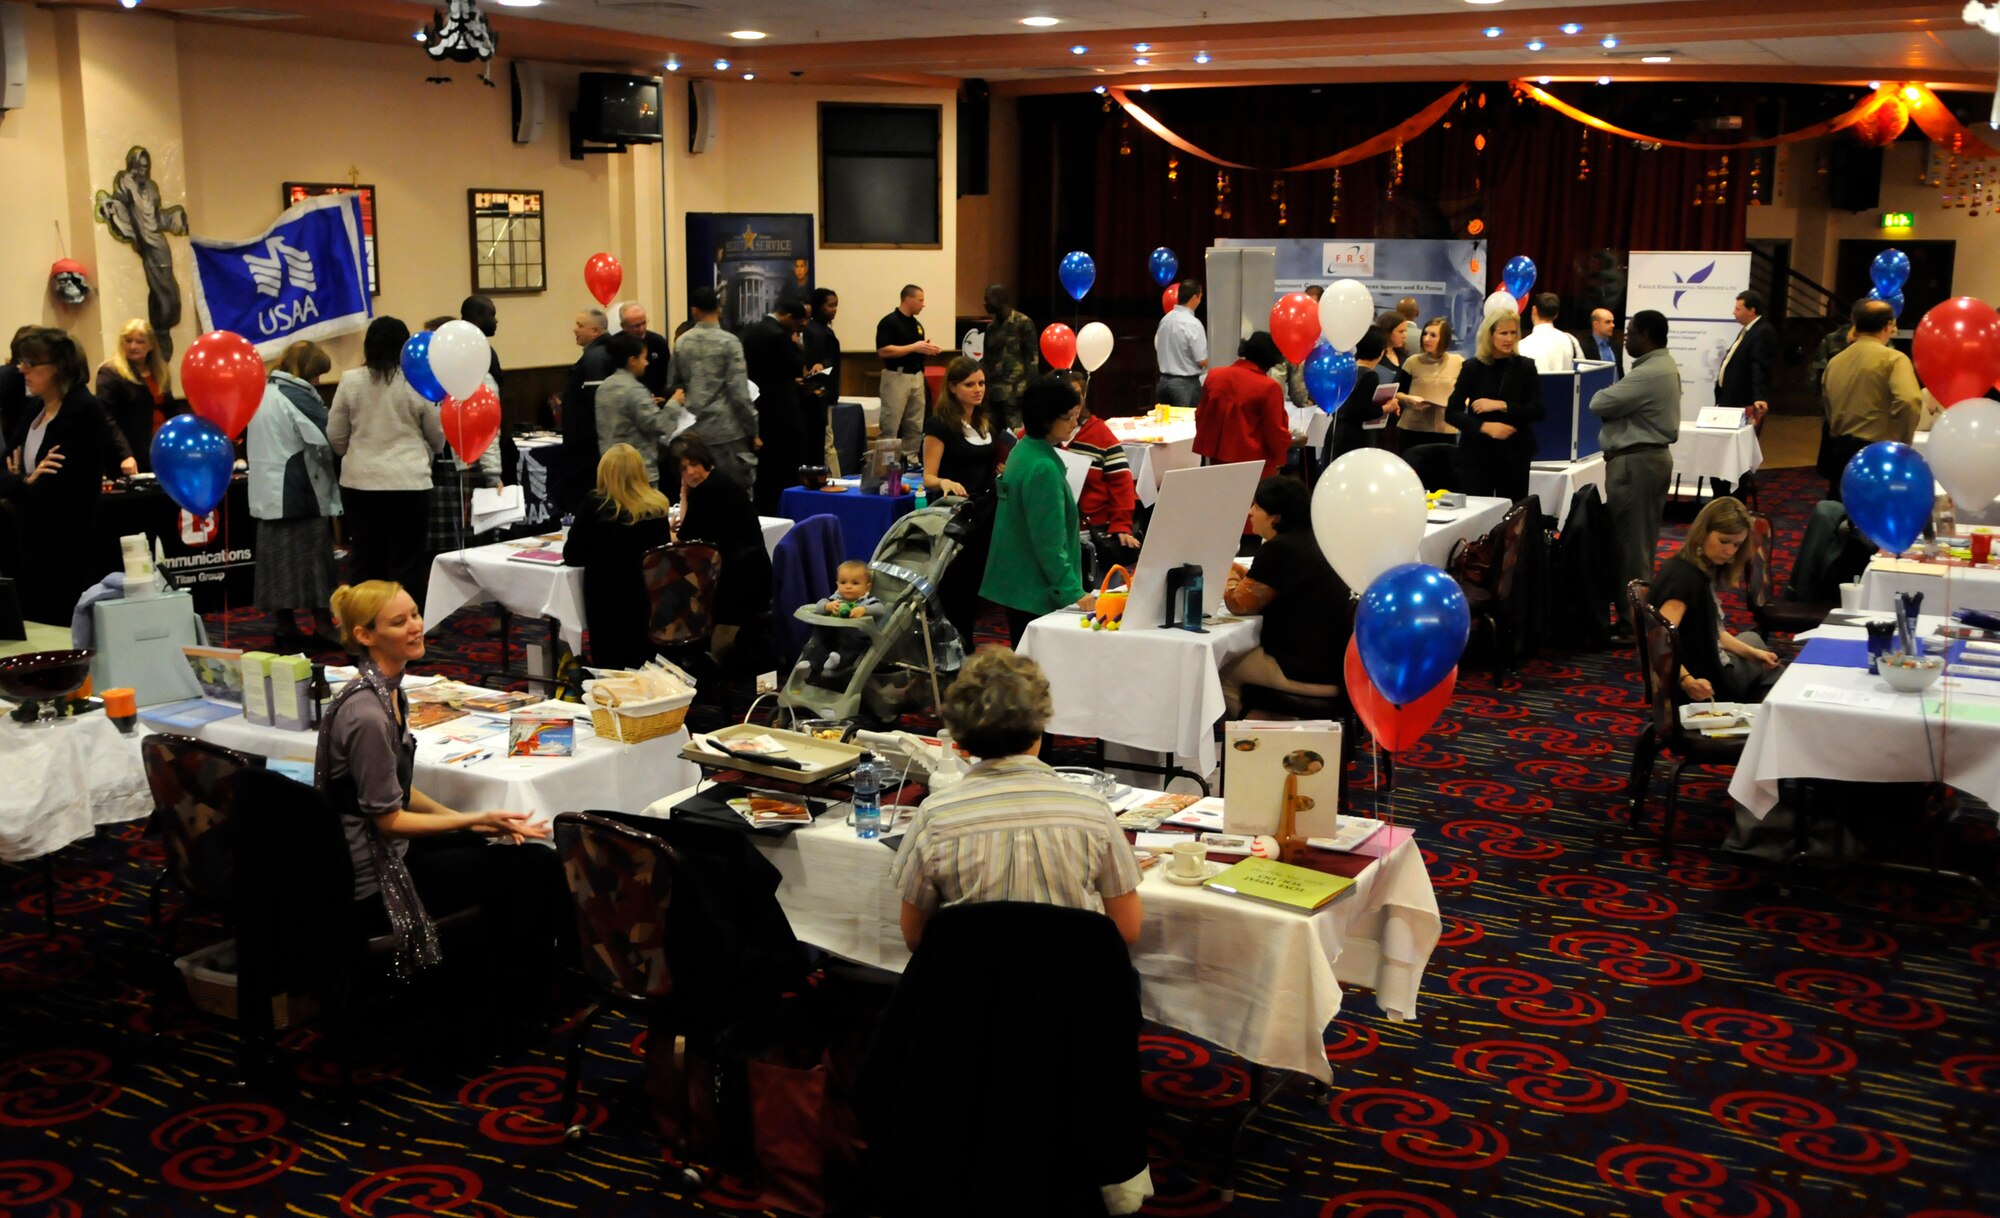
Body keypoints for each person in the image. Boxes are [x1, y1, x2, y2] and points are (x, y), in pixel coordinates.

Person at [318, 579, 566, 1017]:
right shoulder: (370, 714)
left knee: (492, 846)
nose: (416, 627)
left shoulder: (387, 691)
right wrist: (468, 820)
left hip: (375, 851)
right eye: (399, 622)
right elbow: (388, 819)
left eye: (415, 614)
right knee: (538, 865)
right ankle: (518, 1005)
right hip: (374, 874)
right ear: (365, 635)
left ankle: (501, 989)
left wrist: (467, 820)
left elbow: (393, 788)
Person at [891, 646, 1143, 951]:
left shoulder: (935, 816)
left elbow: (914, 936)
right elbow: (1127, 929)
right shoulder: (1092, 810)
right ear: (1039, 725)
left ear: (960, 739)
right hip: (1073, 993)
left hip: (970, 993)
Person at [2, 327, 120, 624]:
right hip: (29, 539)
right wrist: (25, 481)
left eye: (31, 364)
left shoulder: (83, 411)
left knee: (61, 623)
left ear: (57, 369)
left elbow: (57, 488)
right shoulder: (35, 408)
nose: (22, 370)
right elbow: (6, 469)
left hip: (67, 544)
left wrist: (20, 483)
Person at [328, 316, 446, 593]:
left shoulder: (350, 380)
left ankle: (364, 626)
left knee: (365, 560)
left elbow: (335, 434)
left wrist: (355, 453)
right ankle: (406, 624)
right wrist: (428, 452)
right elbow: (437, 434)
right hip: (409, 483)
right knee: (407, 562)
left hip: (361, 483)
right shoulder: (417, 382)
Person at [1219, 476, 1351, 717]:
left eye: (1257, 507)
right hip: (1336, 662)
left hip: (1303, 667)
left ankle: (1261, 741)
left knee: (1220, 669)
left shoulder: (1279, 549)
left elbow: (1237, 604)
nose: (1250, 512)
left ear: (1276, 517)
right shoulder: (1317, 539)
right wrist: (1242, 574)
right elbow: (1278, 582)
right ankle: (1288, 733)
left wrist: (1227, 573)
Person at [981, 376, 1096, 647]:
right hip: (1036, 589)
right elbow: (1049, 542)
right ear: (1047, 420)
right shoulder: (1043, 467)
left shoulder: (1022, 450)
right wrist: (1072, 591)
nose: (1074, 424)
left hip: (1017, 582)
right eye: (1068, 417)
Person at [248, 340, 341, 652]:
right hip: (298, 488)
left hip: (267, 489)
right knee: (315, 561)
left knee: (276, 563)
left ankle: (284, 626)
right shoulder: (297, 394)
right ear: (306, 371)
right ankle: (324, 625)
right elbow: (332, 434)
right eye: (317, 375)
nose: (318, 381)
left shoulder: (263, 390)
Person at [1647, 497, 1781, 704]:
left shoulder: (1691, 566)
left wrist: (1753, 654)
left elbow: (1712, 631)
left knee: (1754, 643)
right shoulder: (1686, 580)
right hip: (1704, 683)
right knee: (1775, 677)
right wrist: (1687, 681)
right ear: (1703, 533)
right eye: (1724, 541)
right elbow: (1657, 641)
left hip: (1704, 662)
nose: (1730, 551)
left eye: (1737, 544)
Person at [1588, 310, 1681, 607]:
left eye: (1630, 333)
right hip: (1645, 461)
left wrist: (1613, 394)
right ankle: (1636, 616)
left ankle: (1632, 622)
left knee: (1631, 549)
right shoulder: (1659, 366)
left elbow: (1598, 402)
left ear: (1646, 336)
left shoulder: (1649, 372)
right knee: (1638, 544)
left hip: (1636, 464)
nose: (1625, 339)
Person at [563, 443, 674, 670]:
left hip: (608, 603)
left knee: (611, 665)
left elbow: (573, 555)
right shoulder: (657, 507)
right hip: (648, 602)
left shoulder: (597, 505)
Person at [923, 356, 1007, 644]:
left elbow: (987, 464)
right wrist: (944, 481)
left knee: (975, 582)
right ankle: (952, 642)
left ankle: (968, 640)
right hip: (956, 514)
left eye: (981, 383)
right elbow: (928, 477)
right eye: (970, 384)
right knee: (956, 584)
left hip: (985, 511)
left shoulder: (986, 423)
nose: (978, 389)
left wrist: (1001, 470)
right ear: (953, 388)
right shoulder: (940, 425)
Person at [672, 435, 772, 667]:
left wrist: (684, 495)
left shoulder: (708, 490)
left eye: (694, 464)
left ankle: (694, 662)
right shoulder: (722, 481)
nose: (691, 473)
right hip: (754, 573)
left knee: (678, 591)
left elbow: (685, 537)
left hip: (737, 583)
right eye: (684, 469)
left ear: (704, 461)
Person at [1819, 299, 1924, 500]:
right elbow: (1909, 401)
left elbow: (1827, 404)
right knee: (1875, 516)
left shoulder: (1836, 361)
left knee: (1843, 511)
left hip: (1840, 451)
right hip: (1877, 453)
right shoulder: (1894, 359)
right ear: (1888, 326)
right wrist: (1903, 441)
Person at [94, 146, 188, 356]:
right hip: (146, 245)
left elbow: (155, 217)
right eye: (140, 167)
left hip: (159, 243)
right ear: (133, 166)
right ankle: (160, 332)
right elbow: (119, 205)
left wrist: (174, 217)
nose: (143, 171)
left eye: (147, 167)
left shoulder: (152, 188)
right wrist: (109, 206)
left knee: (170, 291)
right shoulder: (126, 183)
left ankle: (164, 330)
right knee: (159, 291)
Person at [1446, 310, 1545, 502]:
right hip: (1477, 453)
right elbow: (1452, 413)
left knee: (1512, 513)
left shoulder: (1525, 367)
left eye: (1513, 333)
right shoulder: (1472, 368)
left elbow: (1538, 410)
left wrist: (1502, 405)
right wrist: (1484, 427)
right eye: (1503, 333)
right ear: (1490, 335)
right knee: (1477, 511)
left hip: (1515, 452)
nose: (1509, 338)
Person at [667, 286, 759, 492]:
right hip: (728, 433)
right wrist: (753, 430)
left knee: (698, 493)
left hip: (693, 434)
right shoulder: (730, 343)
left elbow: (673, 386)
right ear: (719, 309)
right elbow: (740, 394)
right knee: (735, 494)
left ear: (694, 311)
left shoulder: (682, 343)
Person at [1058, 368, 1139, 557]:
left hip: (1090, 528)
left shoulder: (1100, 434)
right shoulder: (1040, 434)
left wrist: (1121, 525)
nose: (1073, 401)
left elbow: (1121, 482)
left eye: (1077, 395)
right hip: (1052, 525)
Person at [743, 295, 811, 515]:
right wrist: (797, 346)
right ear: (788, 317)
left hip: (760, 407)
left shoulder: (752, 331)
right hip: (782, 412)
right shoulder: (779, 336)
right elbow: (794, 365)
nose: (800, 326)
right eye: (798, 322)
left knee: (765, 471)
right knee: (784, 470)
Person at [1195, 331, 1293, 479]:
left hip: (1218, 459)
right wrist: (1286, 446)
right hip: (1255, 463)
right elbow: (1275, 431)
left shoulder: (1214, 376)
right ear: (1271, 361)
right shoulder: (1269, 387)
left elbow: (1201, 416)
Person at [1711, 289, 1776, 498]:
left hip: (1743, 402)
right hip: (1730, 401)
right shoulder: (1749, 330)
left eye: (1738, 308)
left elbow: (1759, 365)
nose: (1734, 313)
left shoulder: (1762, 331)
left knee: (1737, 456)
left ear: (1752, 310)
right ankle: (1724, 494)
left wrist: (1759, 396)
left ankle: (1735, 496)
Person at [595, 331, 681, 487]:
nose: (647, 363)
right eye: (643, 358)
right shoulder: (635, 390)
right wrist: (674, 403)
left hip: (611, 469)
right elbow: (659, 425)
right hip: (638, 471)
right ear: (632, 360)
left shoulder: (604, 387)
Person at [95, 318, 174, 471]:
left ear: (151, 345)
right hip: (131, 455)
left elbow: (169, 410)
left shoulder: (160, 372)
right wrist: (126, 455)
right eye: (128, 340)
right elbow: (107, 418)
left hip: (162, 450)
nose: (133, 346)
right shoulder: (110, 372)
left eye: (140, 342)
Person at [794, 559, 887, 686]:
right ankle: (809, 665)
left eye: (855, 583)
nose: (848, 586)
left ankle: (837, 661)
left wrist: (864, 610)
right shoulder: (835, 599)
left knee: (854, 646)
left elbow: (881, 610)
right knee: (818, 641)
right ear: (837, 584)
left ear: (867, 587)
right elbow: (819, 606)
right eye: (843, 582)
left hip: (855, 639)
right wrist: (827, 606)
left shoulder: (867, 601)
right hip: (833, 637)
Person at [558, 307, 616, 509]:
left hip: (587, 450)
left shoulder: (595, 359)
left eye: (580, 326)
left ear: (595, 331)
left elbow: (596, 406)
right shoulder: (599, 354)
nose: (575, 330)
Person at [875, 284, 939, 461]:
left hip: (916, 376)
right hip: (896, 376)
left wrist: (925, 349)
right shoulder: (889, 322)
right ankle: (885, 466)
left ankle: (910, 460)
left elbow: (914, 349)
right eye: (920, 300)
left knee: (915, 424)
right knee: (891, 424)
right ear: (907, 299)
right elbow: (883, 351)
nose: (923, 304)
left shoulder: (916, 325)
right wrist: (914, 347)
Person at [1395, 315, 1462, 449]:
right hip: (1413, 429)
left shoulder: (1458, 362)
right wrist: (1409, 399)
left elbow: (1465, 394)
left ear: (1444, 338)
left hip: (1445, 429)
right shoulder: (1412, 362)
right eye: (1425, 334)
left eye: (1433, 335)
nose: (1426, 339)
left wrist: (1456, 404)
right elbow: (1397, 392)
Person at [1328, 327, 1395, 461]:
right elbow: (1362, 410)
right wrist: (1385, 408)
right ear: (1382, 352)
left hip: (1336, 430)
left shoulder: (1346, 369)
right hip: (1353, 435)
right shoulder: (1370, 375)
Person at [978, 284, 1035, 432]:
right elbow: (987, 360)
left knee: (1015, 435)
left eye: (987, 299)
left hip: (1016, 394)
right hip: (994, 394)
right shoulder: (991, 328)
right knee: (993, 434)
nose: (984, 303)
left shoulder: (1023, 323)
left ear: (1000, 299)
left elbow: (1032, 360)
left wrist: (1032, 393)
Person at [803, 287, 843, 474]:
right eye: (830, 305)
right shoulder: (813, 332)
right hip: (819, 395)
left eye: (836, 305)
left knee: (827, 441)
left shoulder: (824, 330)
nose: (834, 309)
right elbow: (816, 364)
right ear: (819, 307)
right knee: (827, 443)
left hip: (826, 392)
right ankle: (834, 480)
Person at [1154, 278, 1207, 407]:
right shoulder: (1193, 324)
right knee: (1184, 425)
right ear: (1195, 297)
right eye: (1200, 296)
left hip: (1163, 382)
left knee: (1164, 425)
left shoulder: (1165, 320)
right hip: (1185, 385)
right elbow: (1202, 360)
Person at [617, 302, 673, 399]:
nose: (641, 328)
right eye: (636, 326)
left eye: (644, 323)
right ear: (623, 326)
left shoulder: (658, 342)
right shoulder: (615, 346)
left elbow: (668, 375)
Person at [1517, 292, 1582, 374]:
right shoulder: (1571, 340)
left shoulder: (1522, 346)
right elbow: (1583, 372)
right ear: (1556, 314)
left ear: (1534, 310)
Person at [461, 294, 502, 381]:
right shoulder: (481, 350)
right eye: (492, 315)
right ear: (477, 317)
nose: (496, 321)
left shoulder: (458, 343)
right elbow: (497, 382)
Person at [1579, 308, 1624, 378]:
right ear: (1596, 324)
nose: (1613, 325)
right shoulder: (1583, 347)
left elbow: (1620, 372)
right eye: (1608, 322)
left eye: (1612, 321)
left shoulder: (1616, 345)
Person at [1373, 310, 1411, 375]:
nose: (1405, 336)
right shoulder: (1375, 356)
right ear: (1387, 332)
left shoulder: (1403, 355)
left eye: (1405, 331)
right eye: (1401, 332)